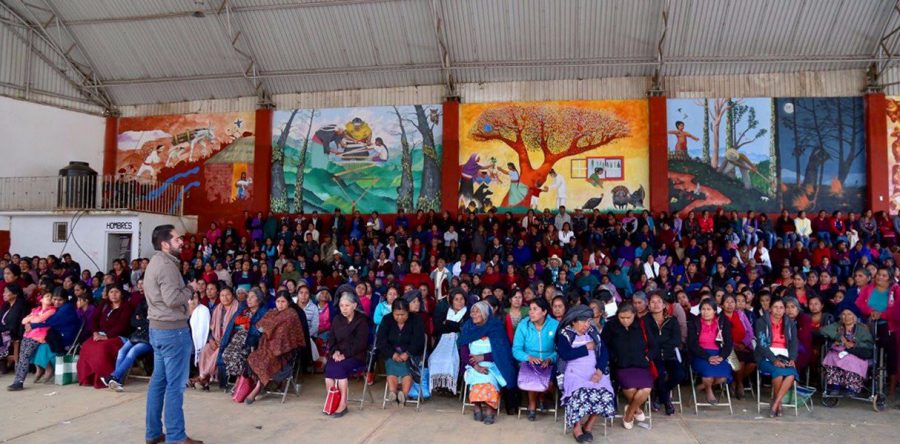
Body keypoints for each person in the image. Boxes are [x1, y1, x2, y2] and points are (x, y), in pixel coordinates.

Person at [143, 224, 203, 444]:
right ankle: (176, 437)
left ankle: (153, 433)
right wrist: (190, 289)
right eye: (177, 239)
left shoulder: (154, 263)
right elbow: (171, 299)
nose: (181, 241)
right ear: (165, 244)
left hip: (158, 330)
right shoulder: (167, 266)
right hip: (173, 332)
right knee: (175, 386)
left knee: (158, 382)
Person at [556, 305, 616, 442]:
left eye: (589, 321)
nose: (586, 325)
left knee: (605, 394)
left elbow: (604, 352)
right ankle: (577, 428)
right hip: (573, 372)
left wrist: (600, 370)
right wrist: (586, 347)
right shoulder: (565, 334)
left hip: (594, 371)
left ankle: (588, 426)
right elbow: (565, 354)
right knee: (579, 394)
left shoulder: (592, 332)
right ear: (573, 321)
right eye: (583, 322)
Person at [458, 300, 515, 425]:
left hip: (494, 364)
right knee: (476, 379)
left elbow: (502, 351)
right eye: (472, 311)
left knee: (490, 379)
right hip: (472, 364)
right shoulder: (468, 327)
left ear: (485, 313)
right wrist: (476, 366)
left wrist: (483, 357)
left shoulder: (496, 327)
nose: (473, 314)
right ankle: (477, 407)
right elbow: (464, 351)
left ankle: (490, 410)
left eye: (477, 311)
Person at [244, 291, 306, 404]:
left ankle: (257, 389)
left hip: (284, 352)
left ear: (288, 302)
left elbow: (284, 335)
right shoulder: (272, 313)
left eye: (283, 301)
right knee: (253, 357)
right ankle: (258, 386)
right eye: (278, 301)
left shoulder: (291, 314)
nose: (280, 304)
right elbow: (260, 326)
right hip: (267, 348)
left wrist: (270, 333)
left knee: (265, 361)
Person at [601, 303, 655, 429]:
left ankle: (629, 412)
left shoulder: (642, 325)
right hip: (621, 366)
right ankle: (637, 410)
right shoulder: (611, 326)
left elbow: (654, 345)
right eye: (622, 317)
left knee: (646, 389)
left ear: (634, 315)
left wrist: (647, 358)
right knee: (630, 389)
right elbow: (603, 346)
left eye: (628, 317)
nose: (625, 320)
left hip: (641, 365)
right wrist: (614, 357)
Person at [854, 266, 900, 399]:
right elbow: (860, 304)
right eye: (879, 274)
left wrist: (882, 315)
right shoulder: (869, 288)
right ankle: (866, 382)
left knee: (891, 352)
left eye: (884, 275)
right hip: (870, 324)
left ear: (890, 278)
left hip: (890, 326)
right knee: (865, 347)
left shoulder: (895, 290)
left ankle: (891, 387)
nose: (880, 277)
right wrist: (872, 313)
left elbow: (897, 310)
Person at [77, 285, 133, 389]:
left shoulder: (127, 306)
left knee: (102, 348)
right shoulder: (105, 304)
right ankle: (88, 378)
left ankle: (106, 377)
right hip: (101, 334)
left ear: (121, 294)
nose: (114, 294)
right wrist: (94, 332)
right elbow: (94, 320)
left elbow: (122, 326)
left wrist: (107, 337)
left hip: (119, 336)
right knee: (87, 345)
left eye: (117, 292)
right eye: (111, 292)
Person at [512, 298, 559, 421]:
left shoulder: (554, 325)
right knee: (532, 377)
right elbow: (516, 349)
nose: (531, 312)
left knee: (549, 383)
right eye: (530, 309)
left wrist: (550, 358)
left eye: (535, 309)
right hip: (529, 360)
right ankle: (532, 404)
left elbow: (560, 349)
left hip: (549, 361)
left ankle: (542, 397)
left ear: (544, 312)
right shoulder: (523, 325)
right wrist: (528, 357)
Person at [324, 291, 370, 417]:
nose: (344, 309)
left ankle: (343, 404)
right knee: (329, 368)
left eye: (347, 305)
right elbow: (331, 339)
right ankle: (332, 401)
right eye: (341, 306)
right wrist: (335, 352)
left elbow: (361, 344)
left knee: (339, 368)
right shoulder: (337, 319)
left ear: (354, 306)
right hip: (339, 355)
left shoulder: (361, 321)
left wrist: (345, 355)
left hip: (356, 356)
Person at [754, 298, 799, 417]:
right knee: (778, 373)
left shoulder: (790, 323)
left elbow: (794, 342)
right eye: (775, 307)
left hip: (785, 356)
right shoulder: (762, 321)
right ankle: (778, 405)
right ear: (770, 309)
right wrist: (774, 360)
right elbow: (762, 344)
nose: (778, 310)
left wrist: (793, 358)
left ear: (784, 310)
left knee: (790, 374)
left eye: (781, 308)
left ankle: (775, 403)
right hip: (766, 355)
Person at [376, 298, 425, 407]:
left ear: (408, 312)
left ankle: (403, 395)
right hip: (392, 353)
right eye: (396, 314)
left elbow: (419, 340)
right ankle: (393, 393)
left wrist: (407, 353)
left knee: (407, 371)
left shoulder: (416, 320)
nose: (399, 317)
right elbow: (381, 341)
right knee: (391, 369)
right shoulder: (387, 320)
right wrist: (392, 354)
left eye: (403, 314)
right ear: (392, 312)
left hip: (411, 354)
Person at [101, 295, 153, 392]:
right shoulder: (143, 301)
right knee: (121, 351)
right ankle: (118, 381)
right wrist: (144, 322)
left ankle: (114, 377)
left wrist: (142, 321)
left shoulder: (158, 301)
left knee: (133, 351)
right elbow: (133, 320)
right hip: (137, 335)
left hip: (150, 338)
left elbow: (152, 322)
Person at [8, 289, 56, 390]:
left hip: (37, 337)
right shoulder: (36, 310)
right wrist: (32, 319)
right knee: (22, 358)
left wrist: (31, 319)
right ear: (41, 299)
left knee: (25, 357)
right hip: (28, 335)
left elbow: (38, 320)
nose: (50, 299)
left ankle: (19, 382)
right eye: (47, 296)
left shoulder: (51, 310)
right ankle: (17, 381)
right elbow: (23, 320)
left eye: (51, 297)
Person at [687, 299, 733, 405]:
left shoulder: (723, 322)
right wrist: (708, 357)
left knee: (724, 376)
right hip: (700, 354)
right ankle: (708, 390)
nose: (705, 312)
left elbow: (729, 343)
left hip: (718, 353)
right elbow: (692, 344)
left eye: (709, 309)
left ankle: (702, 386)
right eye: (703, 309)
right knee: (708, 375)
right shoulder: (694, 322)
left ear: (715, 311)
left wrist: (721, 357)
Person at [193, 287, 239, 390]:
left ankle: (203, 377)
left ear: (233, 295)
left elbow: (238, 331)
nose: (225, 298)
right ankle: (204, 378)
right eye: (222, 295)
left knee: (218, 352)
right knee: (206, 349)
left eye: (228, 295)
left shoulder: (238, 309)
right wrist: (211, 340)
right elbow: (212, 328)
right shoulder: (217, 309)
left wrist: (225, 341)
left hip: (230, 342)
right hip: (217, 339)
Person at [821, 308, 874, 397]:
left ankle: (851, 388)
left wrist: (855, 344)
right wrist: (840, 337)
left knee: (850, 359)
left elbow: (869, 345)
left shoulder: (862, 328)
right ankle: (835, 387)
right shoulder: (837, 325)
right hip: (840, 351)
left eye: (849, 314)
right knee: (832, 356)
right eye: (844, 314)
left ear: (854, 317)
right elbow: (823, 330)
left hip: (855, 353)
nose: (846, 317)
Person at [219, 288, 269, 382]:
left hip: (252, 343)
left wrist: (248, 327)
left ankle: (242, 381)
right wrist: (242, 327)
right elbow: (235, 325)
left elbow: (261, 330)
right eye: (248, 297)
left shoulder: (264, 313)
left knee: (239, 356)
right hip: (238, 339)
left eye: (252, 297)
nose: (248, 300)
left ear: (259, 299)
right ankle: (241, 378)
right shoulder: (244, 311)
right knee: (226, 354)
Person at [646, 291, 683, 415]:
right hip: (654, 356)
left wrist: (661, 344)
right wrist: (659, 343)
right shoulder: (645, 321)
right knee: (659, 374)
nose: (656, 304)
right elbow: (649, 341)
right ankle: (667, 402)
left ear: (664, 305)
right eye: (653, 302)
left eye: (659, 302)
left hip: (669, 354)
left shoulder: (672, 320)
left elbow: (677, 339)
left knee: (679, 374)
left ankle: (660, 395)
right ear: (649, 305)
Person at [429, 288, 468, 394]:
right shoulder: (445, 311)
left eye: (462, 299)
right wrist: (454, 326)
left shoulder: (467, 313)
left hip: (459, 344)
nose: (459, 302)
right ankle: (441, 384)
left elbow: (464, 329)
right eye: (456, 299)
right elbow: (439, 329)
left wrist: (448, 324)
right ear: (451, 301)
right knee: (434, 359)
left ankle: (453, 385)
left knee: (452, 360)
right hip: (442, 342)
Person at [721, 294, 756, 398]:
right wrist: (734, 345)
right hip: (728, 348)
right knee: (739, 360)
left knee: (753, 363)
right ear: (722, 305)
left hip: (744, 346)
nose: (730, 304)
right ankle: (740, 385)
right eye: (727, 302)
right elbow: (719, 336)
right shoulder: (720, 318)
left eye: (732, 302)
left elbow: (750, 332)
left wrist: (743, 344)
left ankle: (735, 382)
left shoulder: (740, 314)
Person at [0, 283, 28, 374]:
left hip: (13, 333)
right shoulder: (6, 305)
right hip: (4, 331)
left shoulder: (20, 305)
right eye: (4, 292)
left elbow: (13, 325)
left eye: (6, 292)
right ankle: (2, 364)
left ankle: (3, 364)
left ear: (15, 294)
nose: (3, 294)